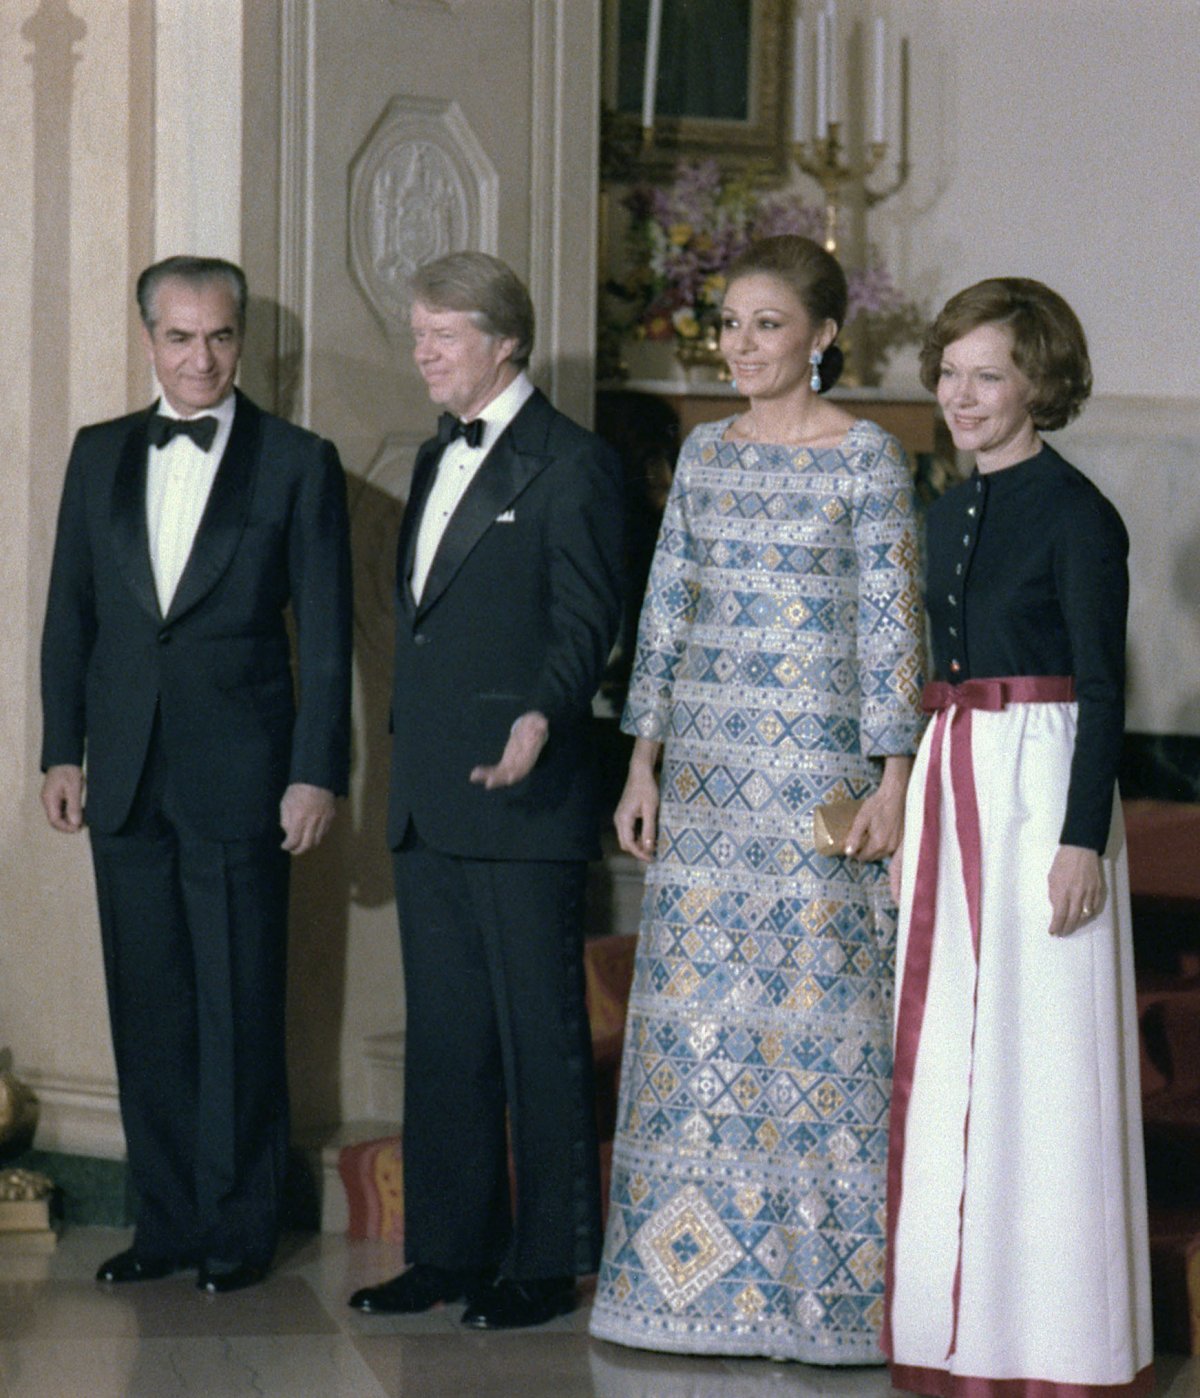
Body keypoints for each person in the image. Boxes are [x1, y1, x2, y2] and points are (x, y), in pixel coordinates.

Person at [589, 235, 925, 1362]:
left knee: (821, 1036)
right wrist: (640, 762)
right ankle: (686, 1295)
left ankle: (826, 1304)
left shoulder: (870, 459)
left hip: (816, 794)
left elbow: (891, 628)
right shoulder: (704, 454)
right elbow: (667, 608)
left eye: (766, 324)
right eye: (728, 324)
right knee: (699, 1033)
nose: (739, 345)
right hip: (705, 792)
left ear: (824, 336)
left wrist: (896, 778)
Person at [40, 255, 353, 1293]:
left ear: (242, 340)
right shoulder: (97, 455)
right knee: (151, 1007)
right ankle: (165, 1223)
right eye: (180, 337)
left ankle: (238, 1229)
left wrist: (315, 774)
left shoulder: (300, 463)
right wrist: (60, 749)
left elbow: (328, 641)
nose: (201, 358)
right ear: (149, 341)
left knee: (238, 1007)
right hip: (122, 773)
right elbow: (69, 619)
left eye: (219, 337)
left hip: (247, 776)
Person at [884, 279, 1153, 1397]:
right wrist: (900, 805)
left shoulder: (1081, 514)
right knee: (955, 1058)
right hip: (957, 775)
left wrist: (1082, 838)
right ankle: (962, 1336)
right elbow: (930, 678)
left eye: (986, 375)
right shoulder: (943, 511)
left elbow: (1103, 689)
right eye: (948, 373)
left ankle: (1060, 1342)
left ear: (1038, 382)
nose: (960, 395)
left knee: (1044, 1062)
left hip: (1045, 788)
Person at [348, 252, 624, 1330]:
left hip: (524, 792)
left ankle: (545, 1263)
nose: (422, 353)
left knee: (537, 1035)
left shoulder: (574, 464)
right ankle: (448, 1252)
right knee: (447, 1036)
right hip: (430, 792)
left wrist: (543, 716)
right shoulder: (431, 456)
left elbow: (585, 619)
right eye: (417, 333)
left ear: (505, 342)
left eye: (442, 336)